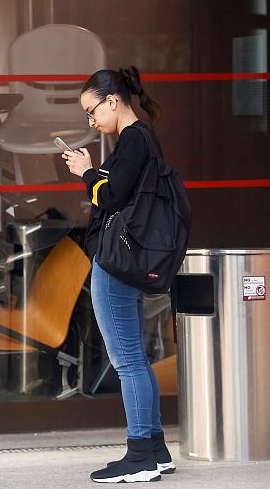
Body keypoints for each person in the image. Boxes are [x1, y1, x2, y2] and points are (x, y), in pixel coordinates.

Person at [62, 66, 174, 483]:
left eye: (92, 112)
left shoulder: (132, 140)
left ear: (112, 101)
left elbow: (111, 197)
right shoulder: (141, 140)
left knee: (127, 362)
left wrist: (86, 173)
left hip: (115, 264)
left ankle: (141, 453)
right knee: (135, 359)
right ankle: (155, 450)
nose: (91, 121)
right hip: (129, 260)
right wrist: (95, 171)